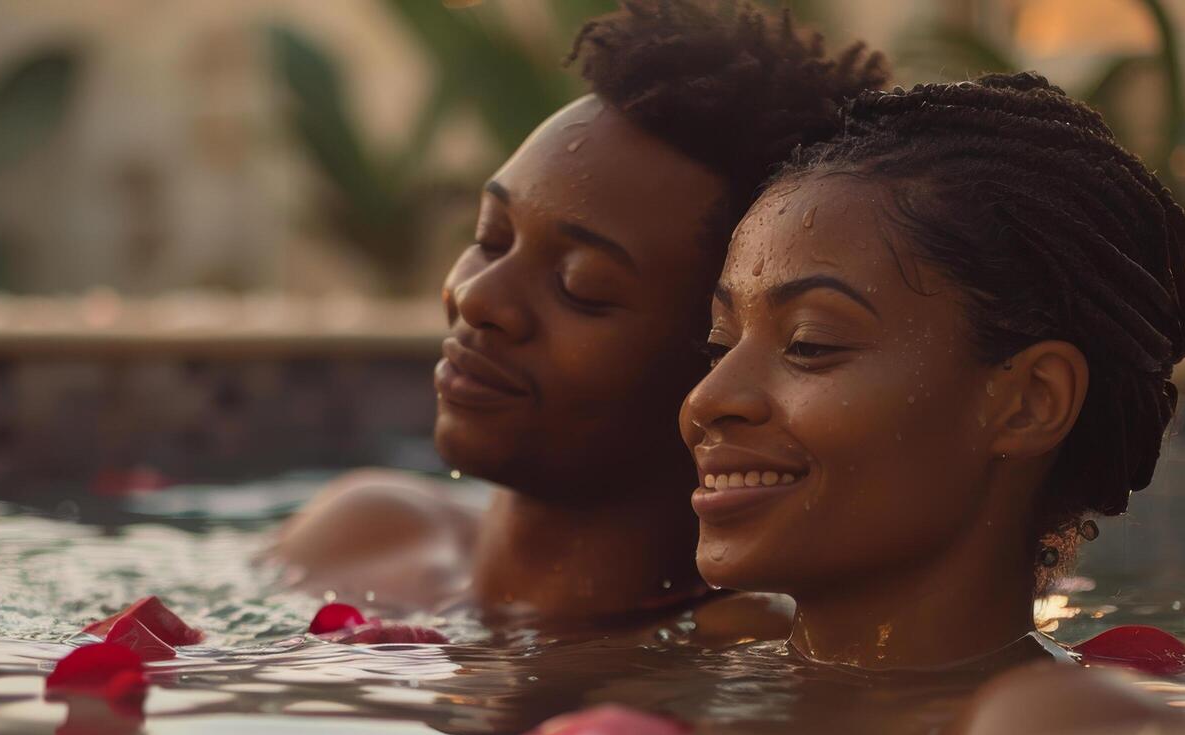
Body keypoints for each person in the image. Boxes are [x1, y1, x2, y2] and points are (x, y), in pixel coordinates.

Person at [275, 1, 886, 626]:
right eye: (490, 237)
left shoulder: (738, 670)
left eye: (581, 286)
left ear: (722, 357)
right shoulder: (357, 537)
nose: (479, 298)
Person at [682, 72, 1185, 670]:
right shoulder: (697, 672)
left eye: (809, 343)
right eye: (720, 345)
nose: (707, 398)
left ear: (1029, 402)